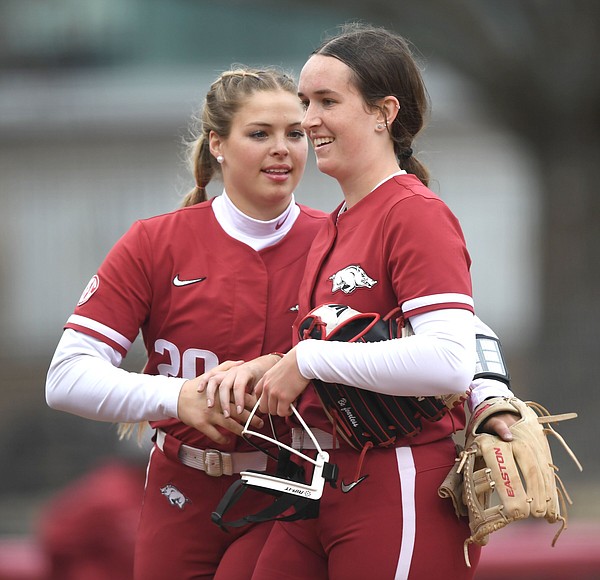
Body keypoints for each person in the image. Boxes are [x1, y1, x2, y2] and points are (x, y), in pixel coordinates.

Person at [203, 24, 518, 579]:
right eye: (305, 101)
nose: (307, 120)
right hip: (328, 478)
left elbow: (448, 362)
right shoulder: (338, 223)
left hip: (402, 480)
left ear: (383, 113)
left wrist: (306, 360)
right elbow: (340, 346)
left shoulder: (413, 213)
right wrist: (273, 365)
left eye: (327, 101)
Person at [45, 66, 329, 580]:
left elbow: (433, 331)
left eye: (296, 134)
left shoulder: (337, 239)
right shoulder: (156, 243)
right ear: (217, 143)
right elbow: (66, 378)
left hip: (294, 492)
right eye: (260, 133)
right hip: (181, 488)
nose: (282, 149)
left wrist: (488, 397)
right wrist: (177, 398)